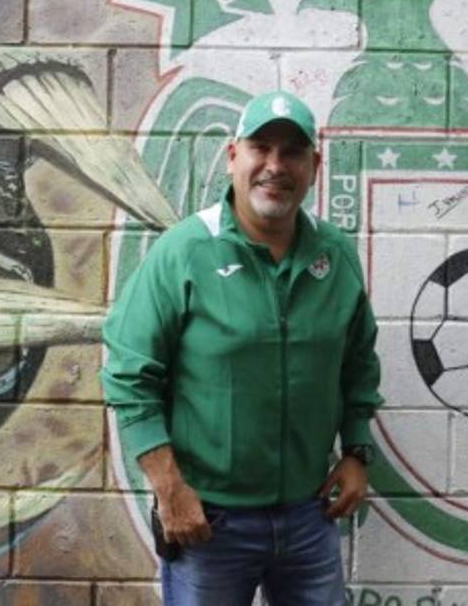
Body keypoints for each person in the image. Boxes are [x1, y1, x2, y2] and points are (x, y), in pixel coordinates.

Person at [101, 91, 383, 605]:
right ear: (234, 157)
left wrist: (357, 449)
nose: (275, 166)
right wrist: (169, 489)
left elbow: (358, 360)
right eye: (261, 148)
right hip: (208, 521)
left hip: (308, 515)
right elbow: (128, 372)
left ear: (314, 166)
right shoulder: (185, 251)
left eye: (292, 152)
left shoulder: (335, 255)